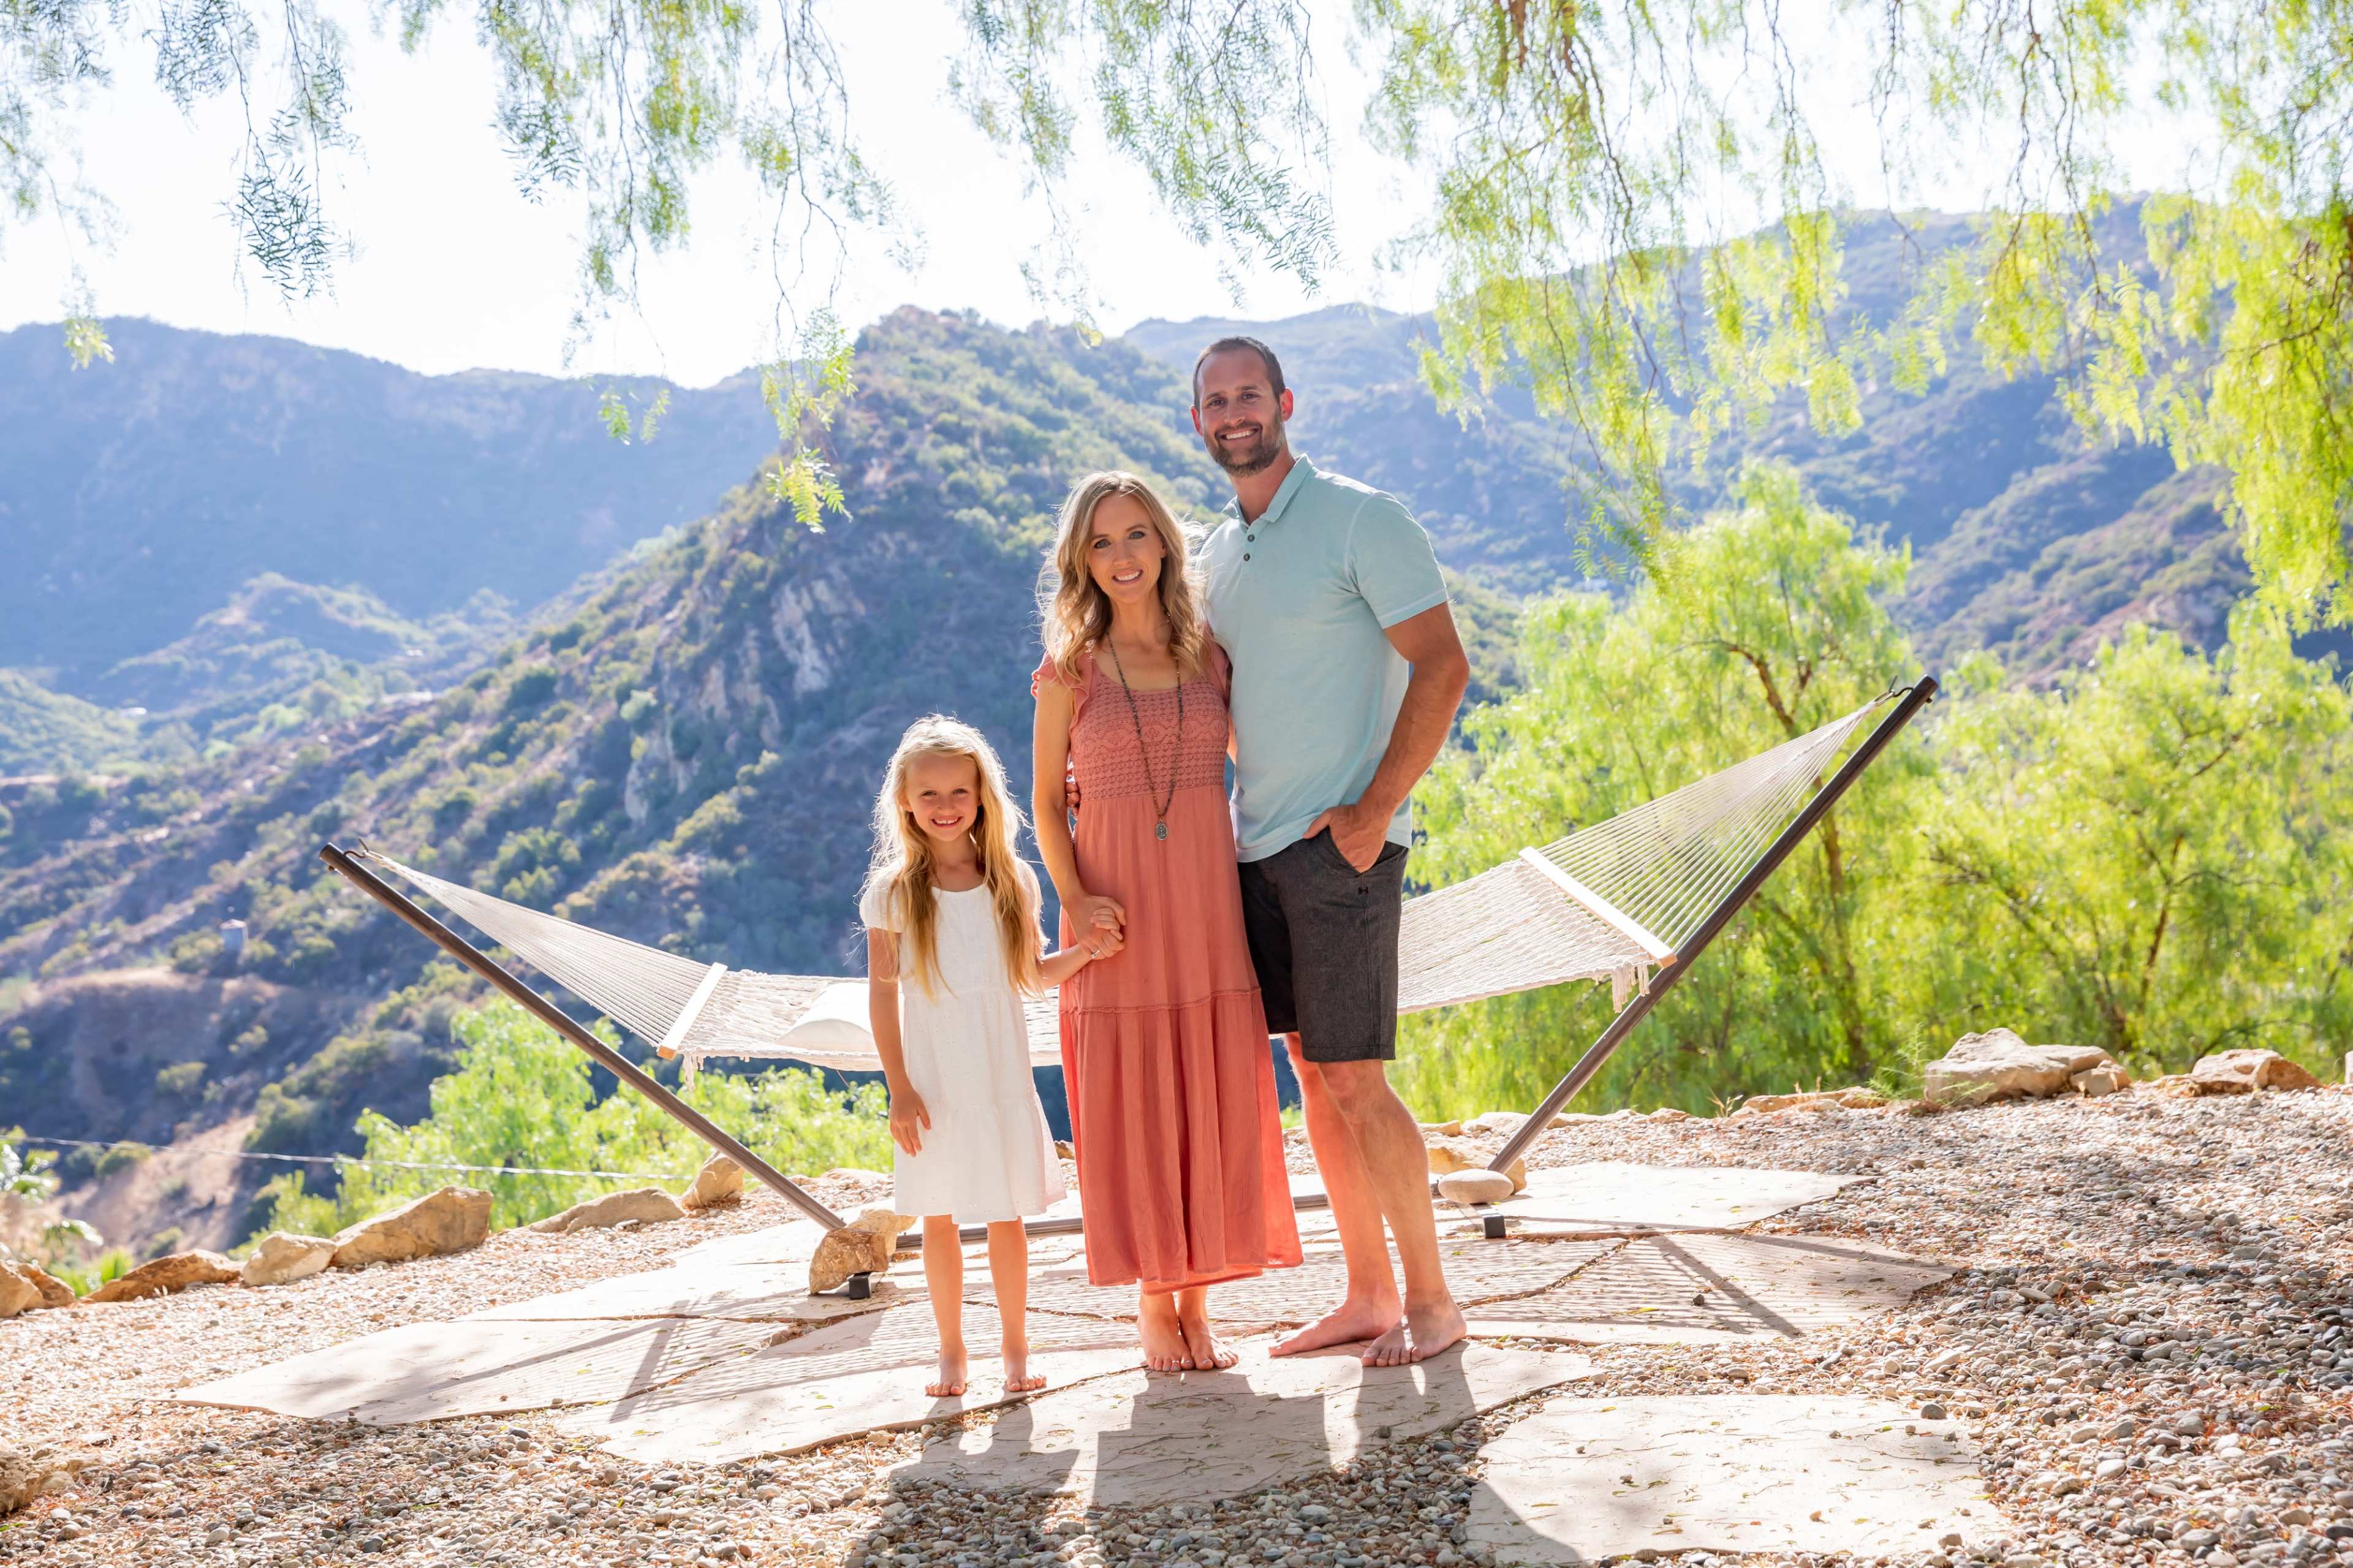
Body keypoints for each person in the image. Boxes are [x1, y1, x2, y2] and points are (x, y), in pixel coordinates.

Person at [1192, 335, 1473, 1367]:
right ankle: (1367, 1295)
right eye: (1215, 401)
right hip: (1254, 849)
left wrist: (1374, 807)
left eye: (1249, 395)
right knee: (1315, 1076)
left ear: (1285, 403)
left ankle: (1434, 1301)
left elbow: (1444, 665)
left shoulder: (1363, 518)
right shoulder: (1217, 552)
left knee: (1356, 1076)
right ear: (1199, 422)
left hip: (1343, 847)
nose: (1234, 414)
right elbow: (1222, 698)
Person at [1031, 471, 1303, 1375]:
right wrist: (1074, 901)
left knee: (1209, 1086)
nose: (1122, 556)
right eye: (1102, 542)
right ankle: (1155, 1299)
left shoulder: (1208, 658)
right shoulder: (1068, 672)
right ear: (1082, 559)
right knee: (1135, 1092)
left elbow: (1264, 761)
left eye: (1137, 535)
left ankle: (1198, 1299)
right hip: (1116, 914)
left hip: (1206, 908)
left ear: (1165, 545)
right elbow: (1041, 804)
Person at [861, 714, 1121, 1398]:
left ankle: (1015, 1347)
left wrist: (1086, 951)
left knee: (1006, 1216)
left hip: (1000, 1074)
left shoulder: (1012, 883)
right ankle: (951, 1352)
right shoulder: (892, 894)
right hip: (934, 1083)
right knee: (940, 1216)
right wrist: (900, 1087)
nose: (946, 808)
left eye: (959, 793)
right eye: (930, 796)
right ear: (906, 805)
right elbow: (884, 1001)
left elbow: (1032, 974)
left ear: (982, 798)